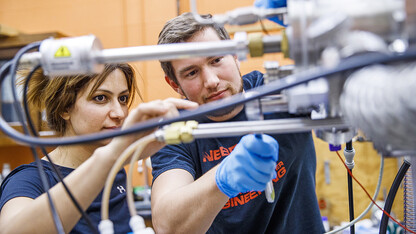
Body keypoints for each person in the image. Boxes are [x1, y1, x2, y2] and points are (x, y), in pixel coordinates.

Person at [150, 12, 325, 233]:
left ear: (234, 54)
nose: (212, 81)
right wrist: (223, 178)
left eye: (216, 60)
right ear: (174, 85)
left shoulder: (278, 92)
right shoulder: (176, 129)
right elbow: (167, 225)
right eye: (192, 73)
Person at [0, 63, 198, 233]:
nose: (119, 113)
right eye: (101, 98)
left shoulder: (114, 170)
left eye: (122, 98)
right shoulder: (29, 179)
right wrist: (114, 153)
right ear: (64, 108)